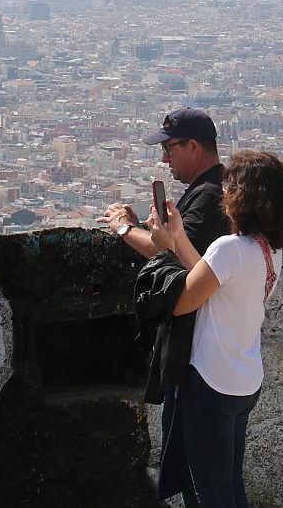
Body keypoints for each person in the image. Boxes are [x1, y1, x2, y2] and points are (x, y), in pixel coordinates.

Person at [149, 150, 283, 508]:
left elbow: (184, 301)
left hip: (209, 382)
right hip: (243, 380)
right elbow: (212, 278)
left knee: (210, 494)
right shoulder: (267, 251)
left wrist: (162, 249)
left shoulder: (228, 249)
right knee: (229, 483)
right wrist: (179, 237)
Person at [105, 108, 230, 505]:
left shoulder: (207, 196)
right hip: (212, 354)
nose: (165, 158)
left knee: (201, 477)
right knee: (207, 474)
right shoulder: (218, 188)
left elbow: (172, 256)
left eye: (170, 148)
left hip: (195, 354)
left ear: (194, 147)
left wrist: (126, 230)